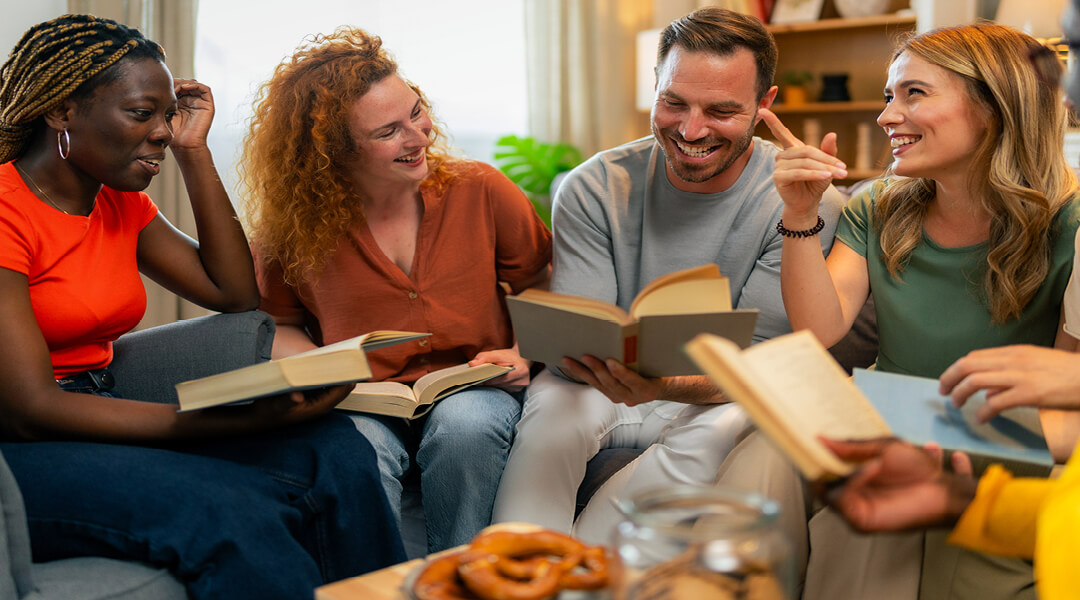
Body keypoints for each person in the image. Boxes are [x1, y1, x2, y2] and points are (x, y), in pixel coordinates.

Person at [0, 14, 404, 600]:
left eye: (167, 116)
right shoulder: (7, 210)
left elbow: (234, 293)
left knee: (337, 451)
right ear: (61, 111)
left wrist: (194, 152)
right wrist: (204, 422)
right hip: (21, 452)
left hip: (100, 408)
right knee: (230, 507)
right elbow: (28, 410)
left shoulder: (118, 204)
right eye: (142, 114)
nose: (163, 131)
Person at [491, 6, 845, 564]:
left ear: (764, 105)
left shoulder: (804, 202)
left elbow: (760, 366)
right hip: (601, 383)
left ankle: (583, 572)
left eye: (722, 110)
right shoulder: (593, 185)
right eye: (673, 102)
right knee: (552, 416)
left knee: (727, 425)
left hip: (716, 394)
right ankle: (511, 569)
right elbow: (579, 338)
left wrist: (665, 386)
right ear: (654, 87)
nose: (691, 129)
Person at [764, 20, 1080, 600]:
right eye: (889, 95)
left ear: (995, 105)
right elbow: (822, 327)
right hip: (885, 435)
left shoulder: (1071, 222)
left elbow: (1067, 404)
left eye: (914, 93)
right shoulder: (877, 204)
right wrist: (801, 214)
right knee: (844, 545)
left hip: (1007, 443)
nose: (887, 116)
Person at [240, 28, 552, 554]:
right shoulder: (291, 228)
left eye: (416, 111)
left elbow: (539, 280)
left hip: (473, 384)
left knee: (467, 431)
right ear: (333, 151)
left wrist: (525, 351)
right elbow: (281, 322)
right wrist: (319, 371)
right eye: (389, 131)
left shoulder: (481, 187)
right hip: (362, 398)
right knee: (358, 449)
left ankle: (460, 580)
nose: (419, 136)